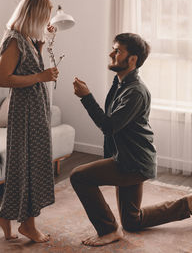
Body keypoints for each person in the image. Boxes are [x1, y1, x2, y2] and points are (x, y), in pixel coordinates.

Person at [71, 32, 192, 247]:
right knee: (132, 221)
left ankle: (108, 230)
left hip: (133, 162)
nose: (111, 54)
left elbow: (108, 126)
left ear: (132, 59)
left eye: (117, 50)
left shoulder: (135, 91)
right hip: (131, 158)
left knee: (78, 176)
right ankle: (188, 205)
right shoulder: (121, 83)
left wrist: (86, 97)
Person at [0, 0, 59, 242]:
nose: (47, 21)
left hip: (36, 110)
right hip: (24, 113)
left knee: (30, 165)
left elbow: (27, 68)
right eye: (44, 16)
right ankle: (27, 225)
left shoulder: (28, 39)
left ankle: (6, 217)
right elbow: (4, 79)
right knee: (26, 166)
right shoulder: (13, 39)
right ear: (33, 15)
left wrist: (42, 45)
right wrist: (42, 77)